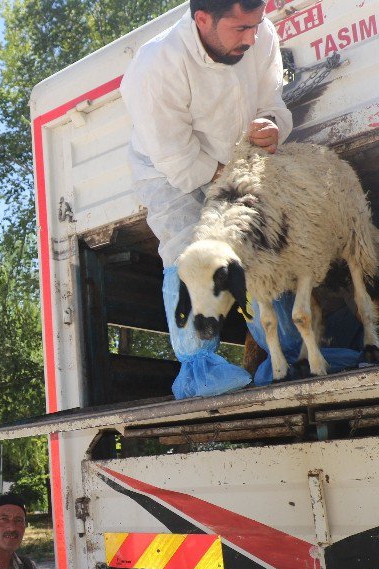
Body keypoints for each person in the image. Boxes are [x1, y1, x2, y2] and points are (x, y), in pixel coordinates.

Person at [120, 0, 293, 397]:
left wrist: (274, 126)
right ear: (202, 20)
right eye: (240, 29)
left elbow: (274, 104)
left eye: (257, 25)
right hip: (169, 172)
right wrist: (230, 179)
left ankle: (287, 354)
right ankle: (200, 373)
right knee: (191, 254)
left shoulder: (259, 35)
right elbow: (179, 162)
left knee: (255, 252)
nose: (252, 37)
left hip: (231, 160)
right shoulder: (156, 66)